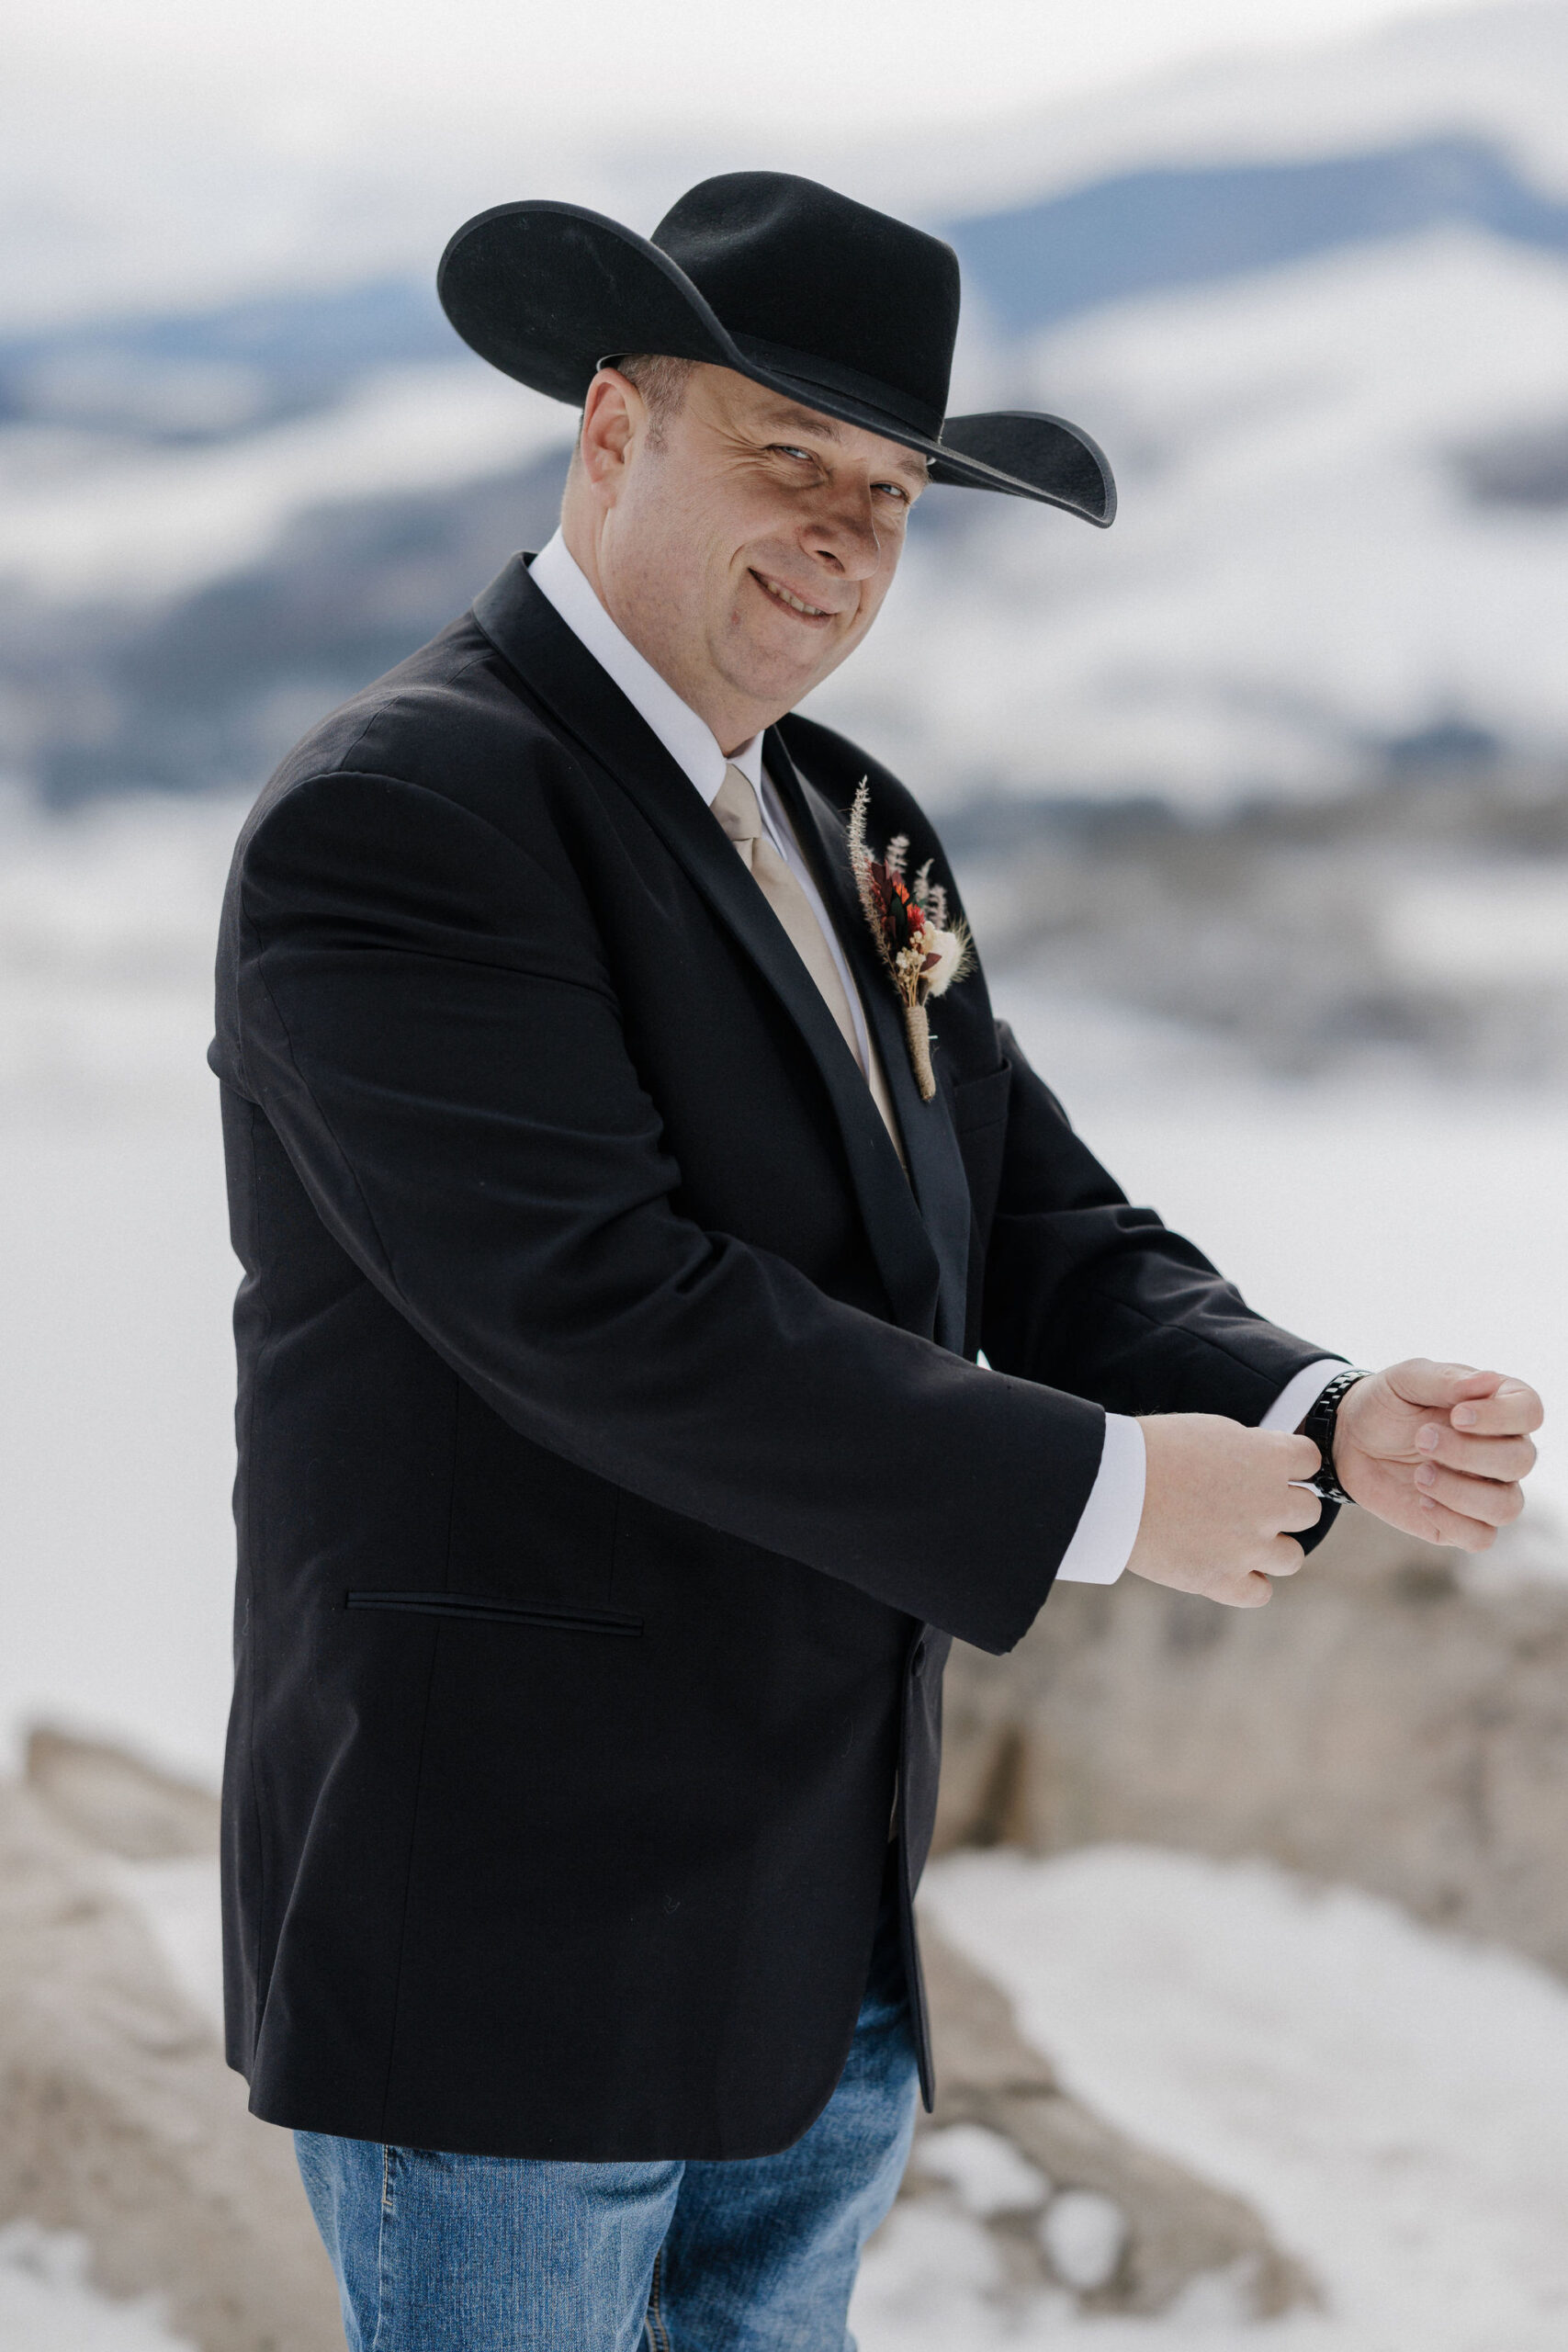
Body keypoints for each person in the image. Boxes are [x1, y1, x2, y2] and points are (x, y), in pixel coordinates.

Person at [209, 173, 1542, 2350]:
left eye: (893, 492)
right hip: (508, 1942)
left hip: (810, 1925)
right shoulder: (407, 813)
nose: (844, 536)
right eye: (788, 458)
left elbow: (1027, 1213)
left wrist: (1318, 1407)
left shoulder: (844, 816)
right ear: (611, 429)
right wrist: (1112, 1497)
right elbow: (603, 1313)